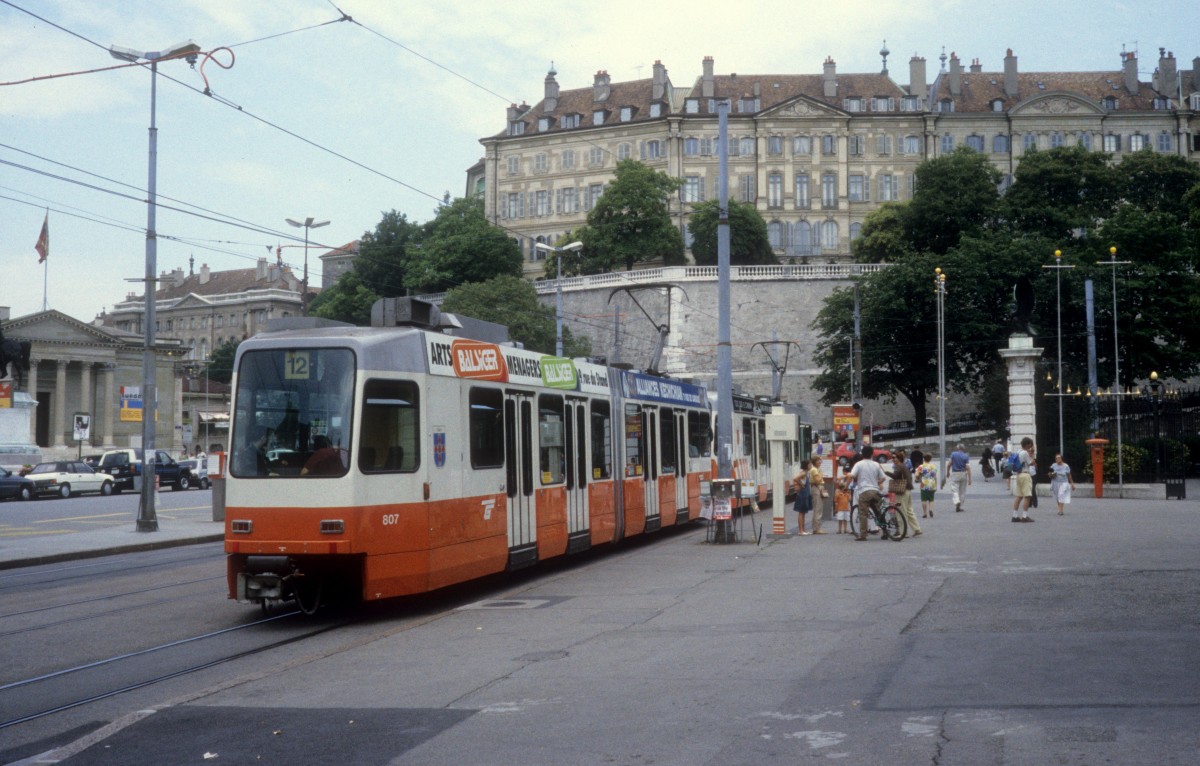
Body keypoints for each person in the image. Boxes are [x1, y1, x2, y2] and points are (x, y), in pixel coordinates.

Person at [843, 444, 887, 541]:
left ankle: (863, 534)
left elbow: (852, 476)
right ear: (872, 454)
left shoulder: (859, 464)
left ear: (862, 454)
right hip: (875, 490)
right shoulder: (876, 464)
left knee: (862, 512)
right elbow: (883, 477)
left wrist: (845, 487)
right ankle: (885, 531)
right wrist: (877, 482)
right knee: (878, 512)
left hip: (864, 490)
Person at [891, 451, 921, 537]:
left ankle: (903, 532)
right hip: (907, 489)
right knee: (909, 511)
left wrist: (885, 472)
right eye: (892, 457)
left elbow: (895, 476)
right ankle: (917, 529)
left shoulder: (899, 466)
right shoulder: (904, 465)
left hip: (902, 491)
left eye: (894, 457)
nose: (892, 459)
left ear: (899, 458)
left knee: (901, 511)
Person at [1012, 436, 1036, 522]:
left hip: (1018, 475)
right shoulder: (1025, 453)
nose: (1031, 446)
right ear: (1027, 444)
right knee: (1027, 496)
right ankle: (1025, 516)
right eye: (1030, 444)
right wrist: (1032, 456)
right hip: (1025, 474)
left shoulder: (1018, 452)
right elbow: (1031, 463)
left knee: (1019, 496)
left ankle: (1014, 515)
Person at [943, 442, 972, 512]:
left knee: (954, 489)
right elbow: (968, 467)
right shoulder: (966, 456)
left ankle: (957, 501)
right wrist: (970, 479)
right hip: (963, 473)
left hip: (955, 473)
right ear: (963, 448)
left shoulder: (953, 454)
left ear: (958, 448)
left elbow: (949, 464)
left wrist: (947, 472)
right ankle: (960, 505)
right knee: (962, 491)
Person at [806, 454, 828, 534]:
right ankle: (816, 528)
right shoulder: (814, 470)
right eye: (818, 460)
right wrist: (821, 475)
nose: (820, 462)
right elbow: (817, 480)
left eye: (820, 460)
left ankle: (816, 527)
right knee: (818, 508)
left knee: (818, 508)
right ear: (815, 462)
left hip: (817, 487)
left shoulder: (816, 469)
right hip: (817, 488)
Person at [792, 460, 811, 535]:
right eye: (809, 465)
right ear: (806, 465)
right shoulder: (803, 473)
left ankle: (803, 529)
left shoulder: (806, 473)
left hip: (805, 493)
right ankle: (801, 530)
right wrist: (801, 484)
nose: (810, 466)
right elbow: (795, 478)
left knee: (803, 512)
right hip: (802, 493)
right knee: (801, 512)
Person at [915, 453, 938, 518]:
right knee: (931, 499)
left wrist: (917, 479)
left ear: (923, 459)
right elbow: (935, 477)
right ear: (930, 459)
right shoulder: (933, 467)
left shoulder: (921, 466)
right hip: (932, 484)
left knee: (924, 499)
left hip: (924, 484)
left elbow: (916, 475)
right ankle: (930, 509)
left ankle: (925, 513)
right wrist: (936, 485)